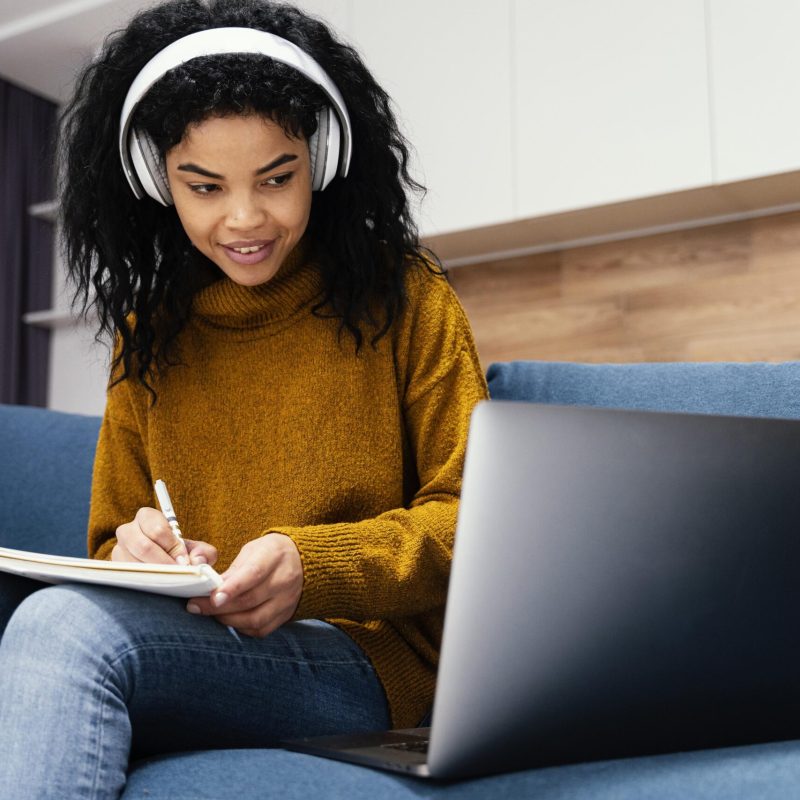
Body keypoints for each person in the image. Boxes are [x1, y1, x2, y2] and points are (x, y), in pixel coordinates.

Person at [0, 0, 487, 796]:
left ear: (321, 162)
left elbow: (475, 519)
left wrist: (312, 566)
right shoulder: (148, 333)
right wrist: (135, 552)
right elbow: (106, 543)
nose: (245, 217)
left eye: (276, 178)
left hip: (372, 660)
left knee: (63, 633)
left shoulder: (408, 296)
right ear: (158, 183)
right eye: (204, 186)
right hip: (204, 646)